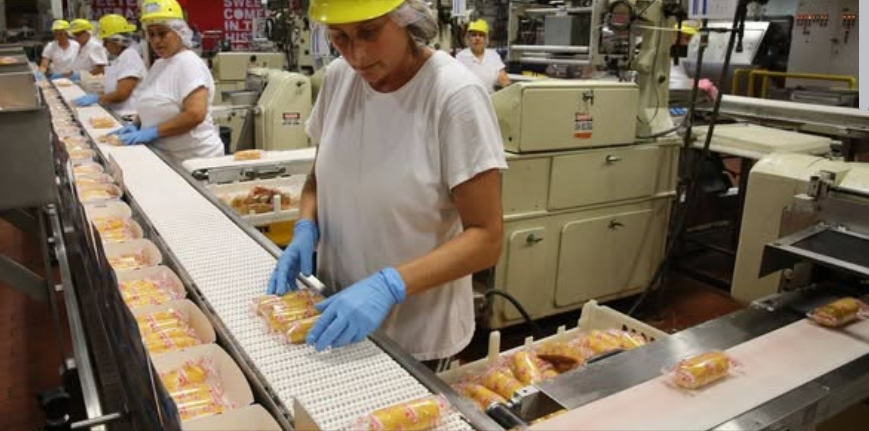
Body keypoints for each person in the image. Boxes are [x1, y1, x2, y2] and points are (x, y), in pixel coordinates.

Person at [267, 0, 507, 369]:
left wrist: (390, 285)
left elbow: (486, 238)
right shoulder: (338, 78)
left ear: (406, 19)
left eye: (369, 32)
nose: (357, 55)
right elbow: (318, 177)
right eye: (339, 37)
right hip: (334, 313)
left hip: (418, 337)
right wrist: (305, 226)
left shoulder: (454, 95)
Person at [111, 0, 223, 163]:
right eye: (151, 34)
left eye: (162, 33)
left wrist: (152, 132)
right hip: (166, 157)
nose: (156, 40)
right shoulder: (159, 64)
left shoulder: (188, 63)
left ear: (179, 31)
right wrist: (136, 125)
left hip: (194, 160)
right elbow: (152, 101)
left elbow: (195, 114)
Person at [73, 14, 146, 116]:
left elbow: (122, 93)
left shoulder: (130, 56)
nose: (103, 45)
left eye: (106, 41)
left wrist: (98, 98)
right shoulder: (121, 58)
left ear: (118, 41)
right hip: (118, 111)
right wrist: (100, 94)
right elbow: (115, 88)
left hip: (128, 114)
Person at [455, 19, 510, 94]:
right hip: (468, 98)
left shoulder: (493, 56)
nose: (477, 38)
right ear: (468, 38)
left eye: (481, 35)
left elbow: (503, 78)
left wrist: (509, 89)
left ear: (486, 39)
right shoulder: (460, 57)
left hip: (489, 97)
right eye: (474, 35)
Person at [670, 22, 718, 101]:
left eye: (689, 38)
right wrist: (694, 84)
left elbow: (678, 79)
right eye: (687, 38)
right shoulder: (659, 55)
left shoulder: (676, 56)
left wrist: (693, 83)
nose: (686, 43)